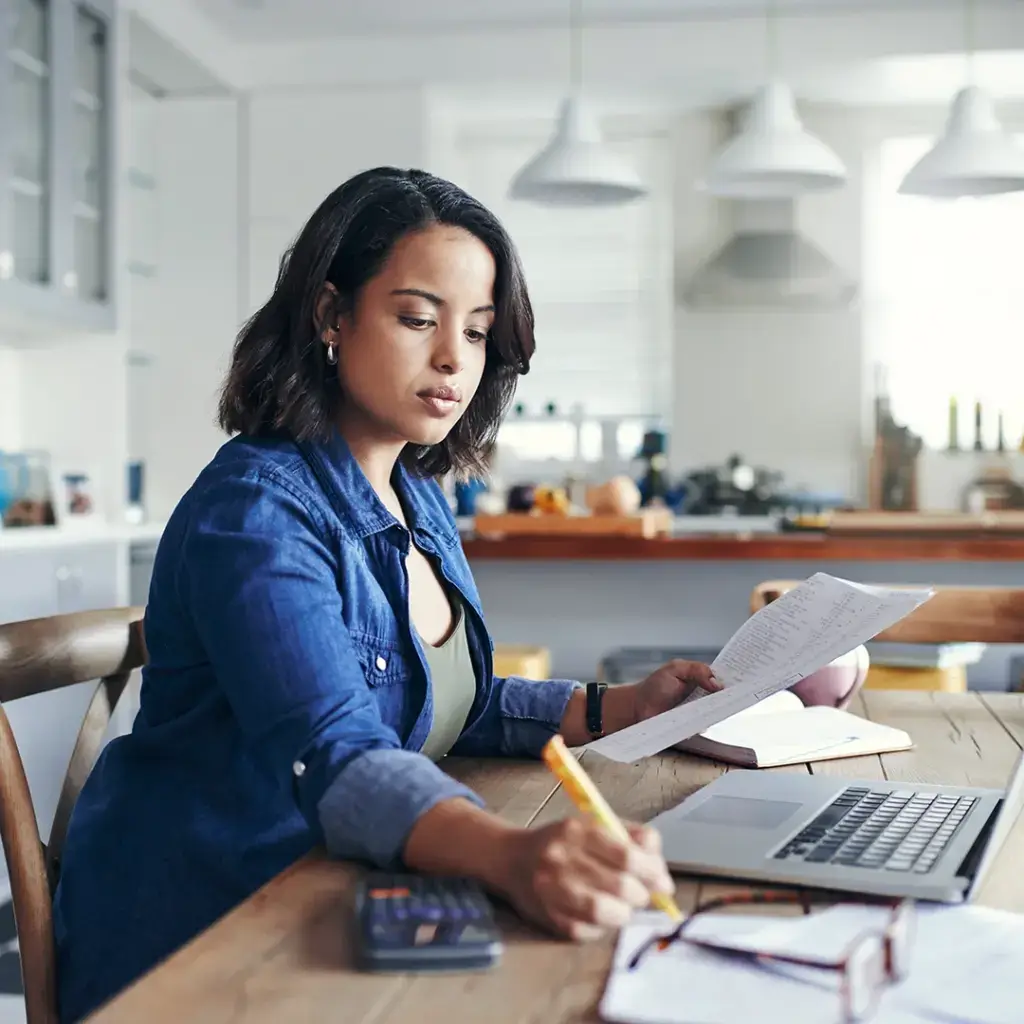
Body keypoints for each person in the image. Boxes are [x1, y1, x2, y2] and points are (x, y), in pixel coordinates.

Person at [52, 167, 718, 1021]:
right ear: (331, 315)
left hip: (332, 893)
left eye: (477, 334)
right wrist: (512, 857)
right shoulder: (256, 513)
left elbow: (441, 704)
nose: (453, 359)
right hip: (208, 933)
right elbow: (338, 747)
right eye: (417, 319)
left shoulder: (419, 498)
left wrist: (616, 706)